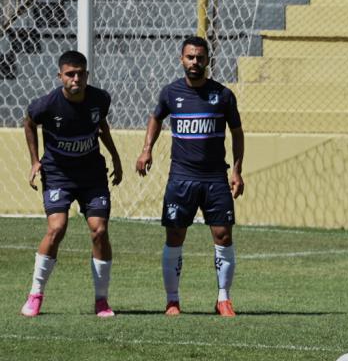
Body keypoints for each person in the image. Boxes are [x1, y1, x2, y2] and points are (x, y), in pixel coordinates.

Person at [135, 36, 245, 317]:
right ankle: (172, 301)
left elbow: (236, 132)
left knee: (223, 235)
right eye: (190, 57)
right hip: (181, 178)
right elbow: (156, 118)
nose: (195, 62)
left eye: (200, 57)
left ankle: (223, 299)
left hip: (215, 179)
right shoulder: (170, 93)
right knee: (174, 235)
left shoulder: (223, 95)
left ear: (208, 60)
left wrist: (237, 170)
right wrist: (146, 150)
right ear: (181, 59)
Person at [20, 50, 123, 318]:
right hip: (58, 175)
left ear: (87, 75)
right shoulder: (46, 105)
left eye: (80, 74)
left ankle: (101, 301)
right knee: (57, 228)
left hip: (92, 175)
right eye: (70, 74)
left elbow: (101, 125)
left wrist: (115, 156)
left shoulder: (100, 98)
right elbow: (28, 123)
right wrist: (34, 160)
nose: (76, 79)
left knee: (99, 231)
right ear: (60, 76)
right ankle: (35, 295)